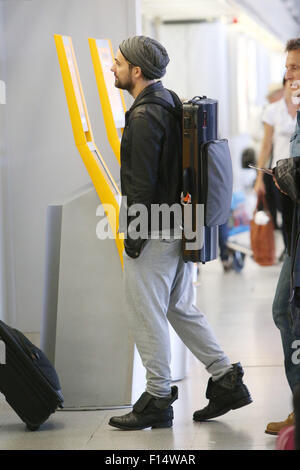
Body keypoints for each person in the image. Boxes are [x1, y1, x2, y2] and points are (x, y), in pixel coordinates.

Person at [108, 35, 252, 430]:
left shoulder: (140, 117)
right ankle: (225, 378)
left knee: (145, 311)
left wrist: (134, 237)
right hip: (182, 224)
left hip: (154, 228)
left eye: (117, 63)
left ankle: (156, 397)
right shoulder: (171, 101)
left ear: (136, 71)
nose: (112, 68)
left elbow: (141, 183)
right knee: (178, 306)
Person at [265, 38, 300, 435]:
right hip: (295, 228)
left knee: (286, 310)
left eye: (295, 67)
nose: (288, 74)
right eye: (287, 67)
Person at [254, 77, 298, 252]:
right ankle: (290, 257)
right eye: (291, 82)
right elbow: (266, 146)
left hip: (299, 172)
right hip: (280, 175)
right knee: (287, 222)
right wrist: (259, 180)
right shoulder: (273, 111)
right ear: (284, 86)